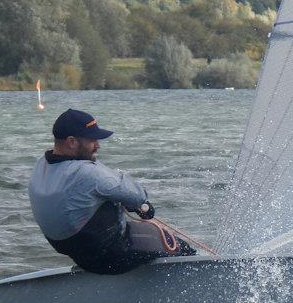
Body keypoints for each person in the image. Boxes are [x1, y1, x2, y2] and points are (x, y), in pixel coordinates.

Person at [28, 109, 194, 275]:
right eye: (92, 140)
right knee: (177, 245)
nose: (97, 145)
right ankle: (200, 272)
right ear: (72, 142)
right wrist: (139, 205)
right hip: (112, 259)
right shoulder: (87, 174)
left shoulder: (40, 166)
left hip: (81, 256)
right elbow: (137, 195)